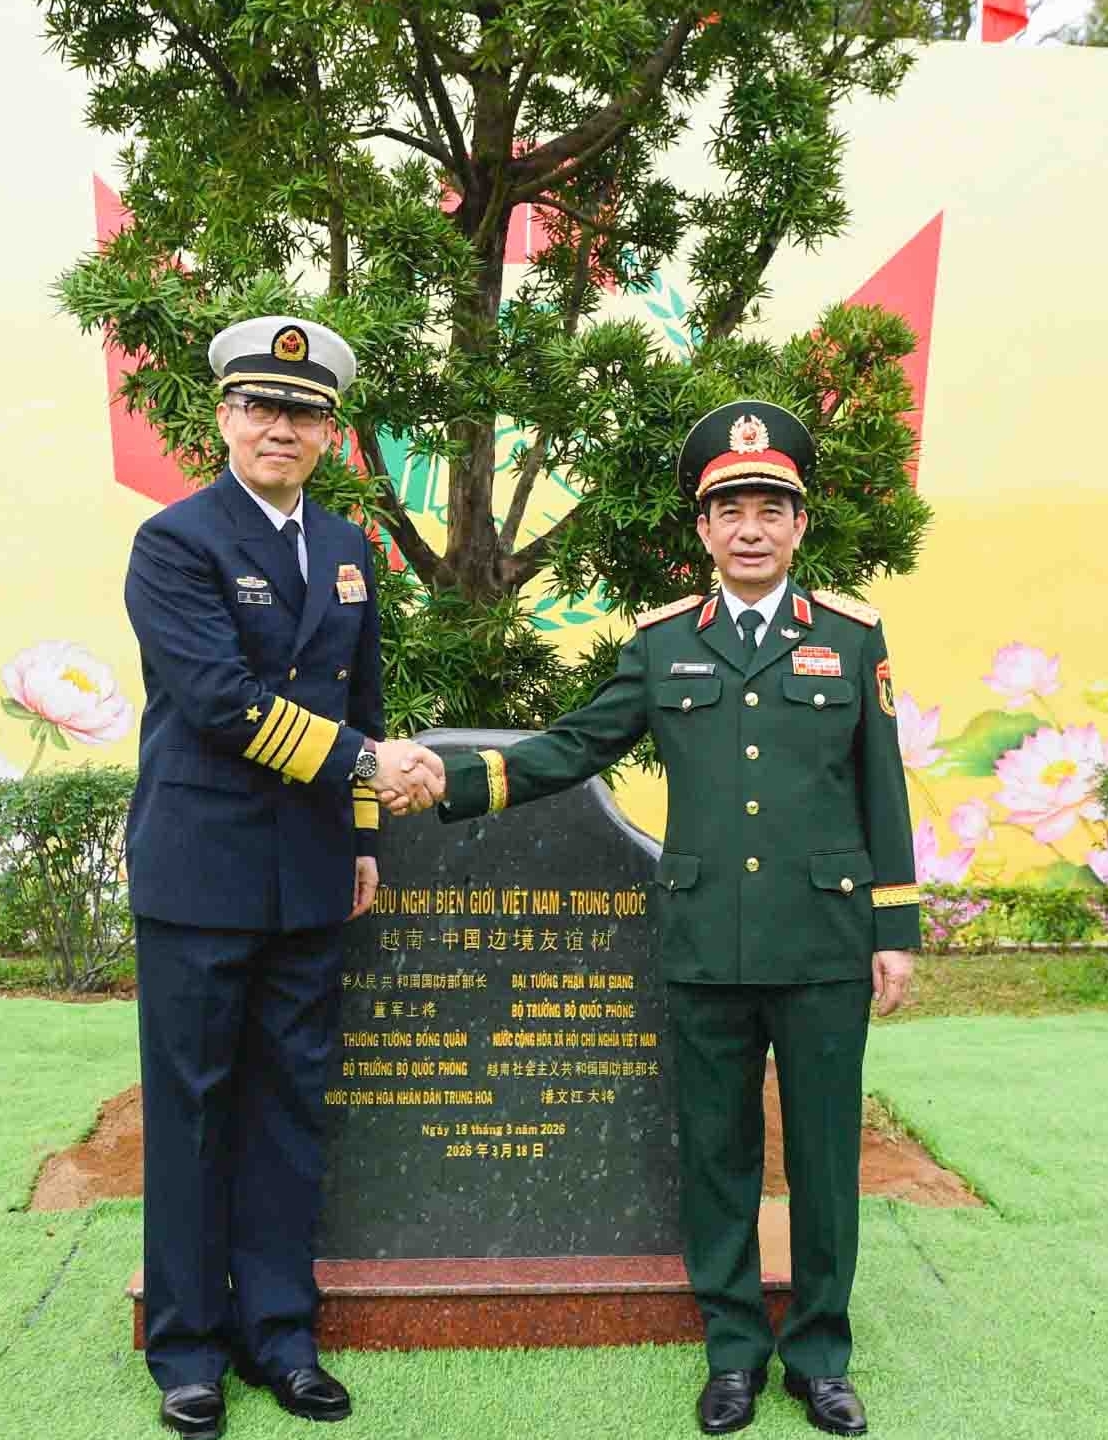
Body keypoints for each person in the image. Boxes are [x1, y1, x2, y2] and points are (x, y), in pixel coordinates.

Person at [395, 399, 919, 1437]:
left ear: (800, 526)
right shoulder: (665, 645)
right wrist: (448, 782)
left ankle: (818, 1357)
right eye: (731, 510)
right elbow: (571, 747)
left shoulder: (852, 643)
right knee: (716, 1153)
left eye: (773, 507)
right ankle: (732, 1351)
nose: (753, 527)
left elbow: (882, 790)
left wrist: (893, 930)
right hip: (705, 940)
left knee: (819, 1155)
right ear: (703, 530)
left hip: (821, 942)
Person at [121, 313, 445, 1439]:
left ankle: (280, 1336)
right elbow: (217, 704)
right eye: (259, 406)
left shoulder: (350, 549)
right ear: (221, 416)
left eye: (302, 413)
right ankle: (188, 1349)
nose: (279, 426)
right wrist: (367, 764)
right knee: (194, 1110)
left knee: (288, 1107)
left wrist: (359, 837)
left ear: (328, 433)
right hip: (199, 872)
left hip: (308, 874)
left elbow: (359, 698)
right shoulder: (175, 543)